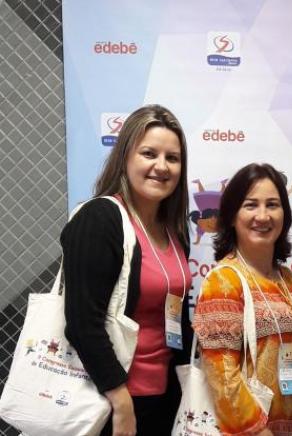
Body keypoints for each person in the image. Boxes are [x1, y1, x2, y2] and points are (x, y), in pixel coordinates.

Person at [61, 104, 192, 436]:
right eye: (149, 153)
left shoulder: (174, 232)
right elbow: (83, 323)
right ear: (125, 157)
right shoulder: (100, 219)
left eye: (172, 158)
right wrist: (120, 401)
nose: (161, 166)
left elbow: (174, 317)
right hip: (111, 404)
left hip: (164, 400)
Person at [193, 163, 292, 435]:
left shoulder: (287, 278)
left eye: (272, 205)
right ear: (231, 216)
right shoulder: (223, 281)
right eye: (250, 205)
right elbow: (223, 378)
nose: (263, 216)